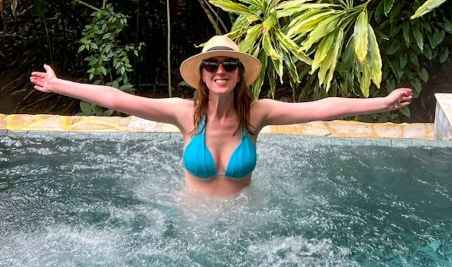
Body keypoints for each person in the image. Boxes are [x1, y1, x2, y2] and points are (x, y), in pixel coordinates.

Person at [30, 35, 413, 195]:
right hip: (194, 224)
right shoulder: (184, 115)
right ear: (201, 74)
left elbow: (321, 108)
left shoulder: (257, 114)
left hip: (245, 222)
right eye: (212, 65)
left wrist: (381, 103)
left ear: (240, 74)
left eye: (229, 65)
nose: (220, 71)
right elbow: (117, 97)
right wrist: (59, 85)